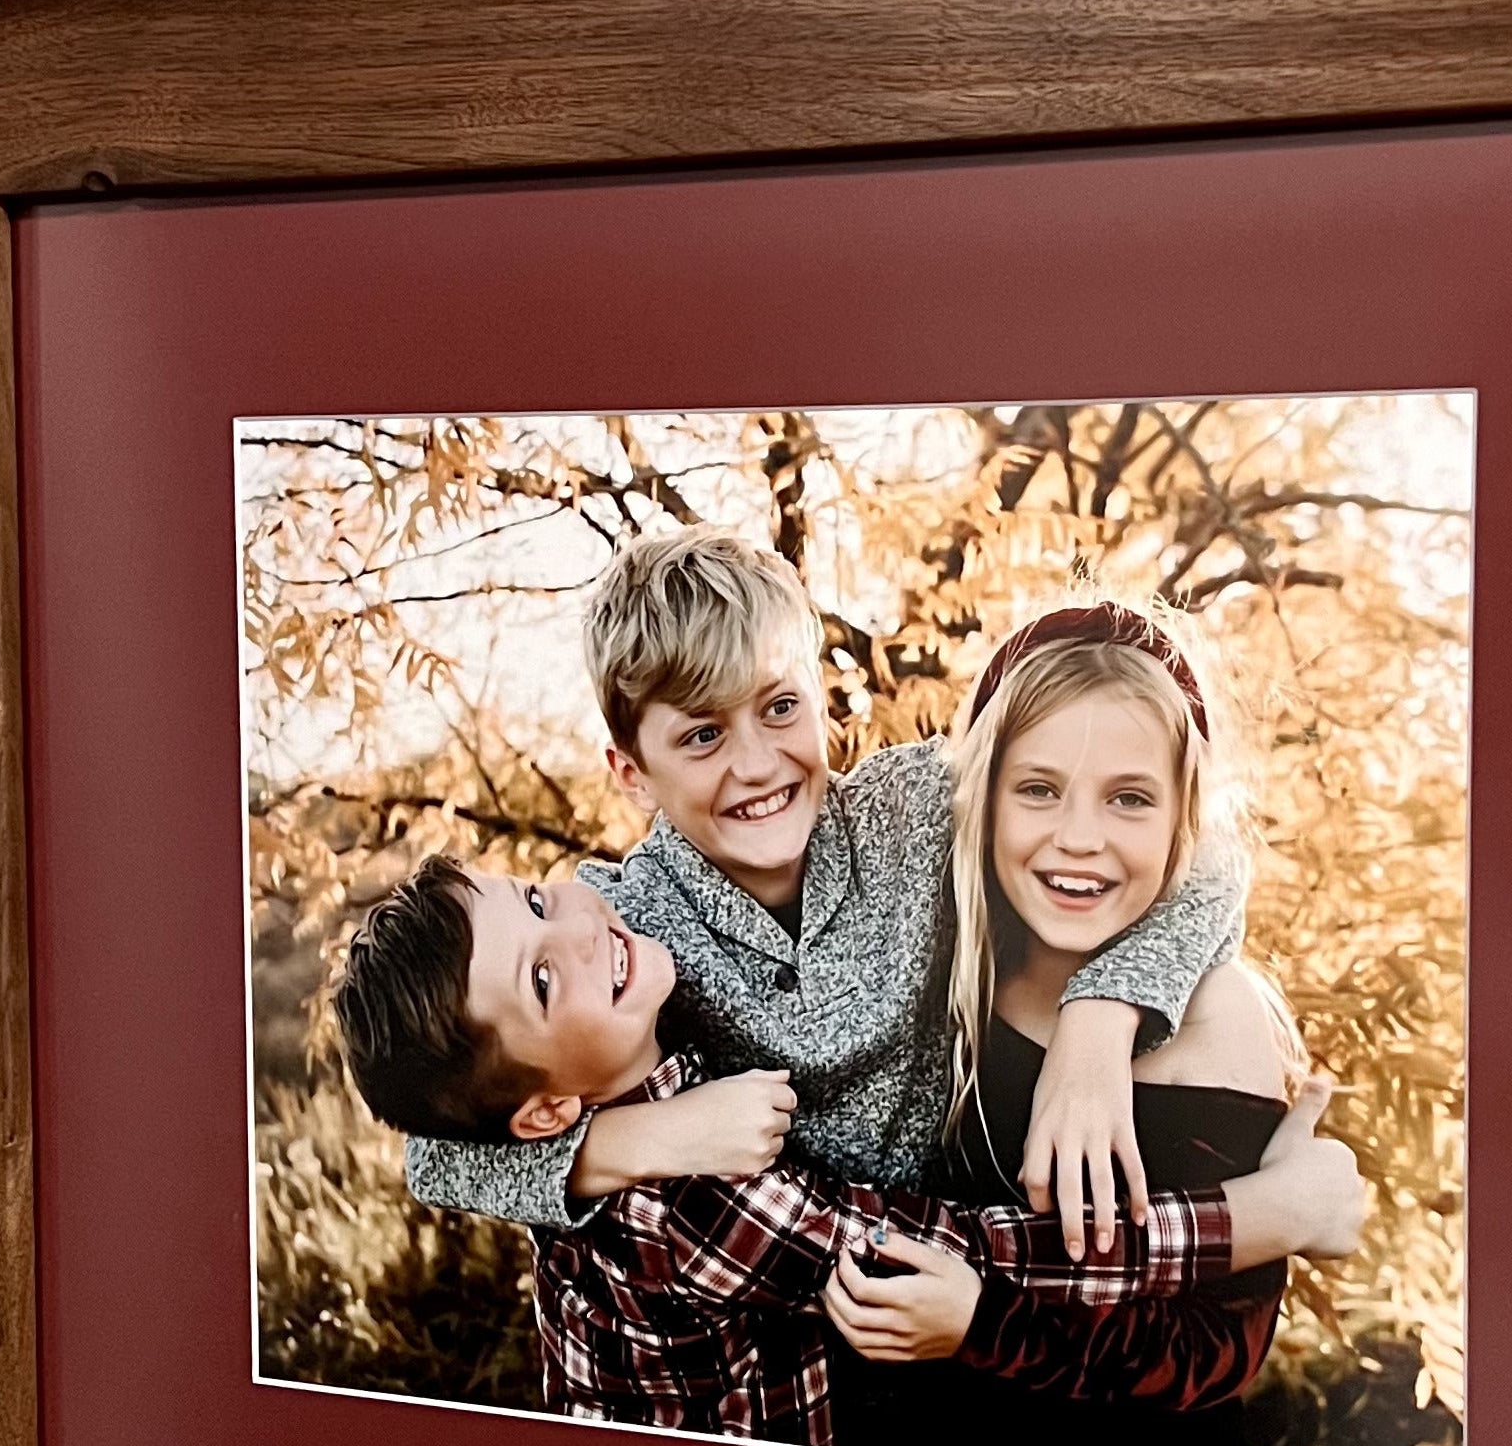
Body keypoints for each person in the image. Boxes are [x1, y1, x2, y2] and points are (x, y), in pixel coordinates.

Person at [403, 526, 1245, 1259]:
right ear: (631, 773)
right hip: (789, 1287)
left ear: (823, 698)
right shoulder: (622, 929)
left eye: (778, 708)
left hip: (964, 1246)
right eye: (701, 734)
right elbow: (434, 1156)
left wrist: (1095, 1028)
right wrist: (639, 1139)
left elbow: (1203, 856)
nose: (758, 764)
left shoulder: (918, 806)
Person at [329, 853, 1366, 1446]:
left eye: (542, 902)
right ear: (546, 1115)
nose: (576, 935)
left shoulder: (634, 951)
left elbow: (1210, 848)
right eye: (541, 982)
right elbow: (987, 1253)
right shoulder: (693, 1208)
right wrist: (1276, 1216)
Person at [822, 602, 1304, 1446]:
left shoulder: (1217, 1015)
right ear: (985, 796)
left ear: (1180, 820)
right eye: (1038, 789)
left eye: (1128, 798)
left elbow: (1215, 1350)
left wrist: (982, 1325)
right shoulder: (943, 967)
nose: (1078, 837)